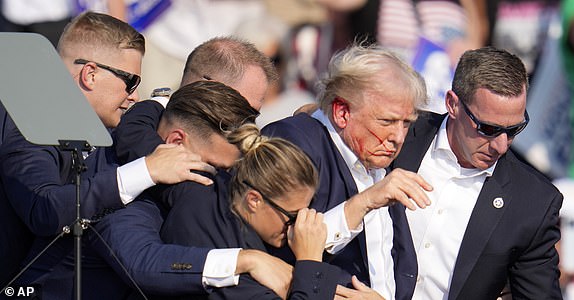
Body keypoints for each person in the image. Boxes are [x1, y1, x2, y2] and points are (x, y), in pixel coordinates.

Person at [0, 11, 213, 291]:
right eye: (131, 82)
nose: (134, 95)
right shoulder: (26, 122)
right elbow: (45, 209)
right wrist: (147, 170)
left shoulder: (103, 130)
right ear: (90, 74)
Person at [262, 42, 432, 299]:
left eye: (406, 123)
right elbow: (281, 241)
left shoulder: (375, 151)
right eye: (387, 121)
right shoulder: (294, 141)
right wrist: (364, 202)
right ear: (342, 112)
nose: (398, 136)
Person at [390, 46, 562, 299]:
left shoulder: (533, 202)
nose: (501, 145)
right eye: (488, 129)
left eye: (514, 130)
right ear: (452, 104)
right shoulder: (397, 135)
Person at [160, 122, 340, 299]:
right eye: (293, 216)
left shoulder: (212, 191)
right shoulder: (228, 263)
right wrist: (311, 261)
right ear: (254, 200)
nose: (298, 226)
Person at [114, 35, 278, 164]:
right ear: (207, 87)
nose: (248, 124)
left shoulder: (239, 159)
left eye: (253, 116)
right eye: (244, 109)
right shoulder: (123, 128)